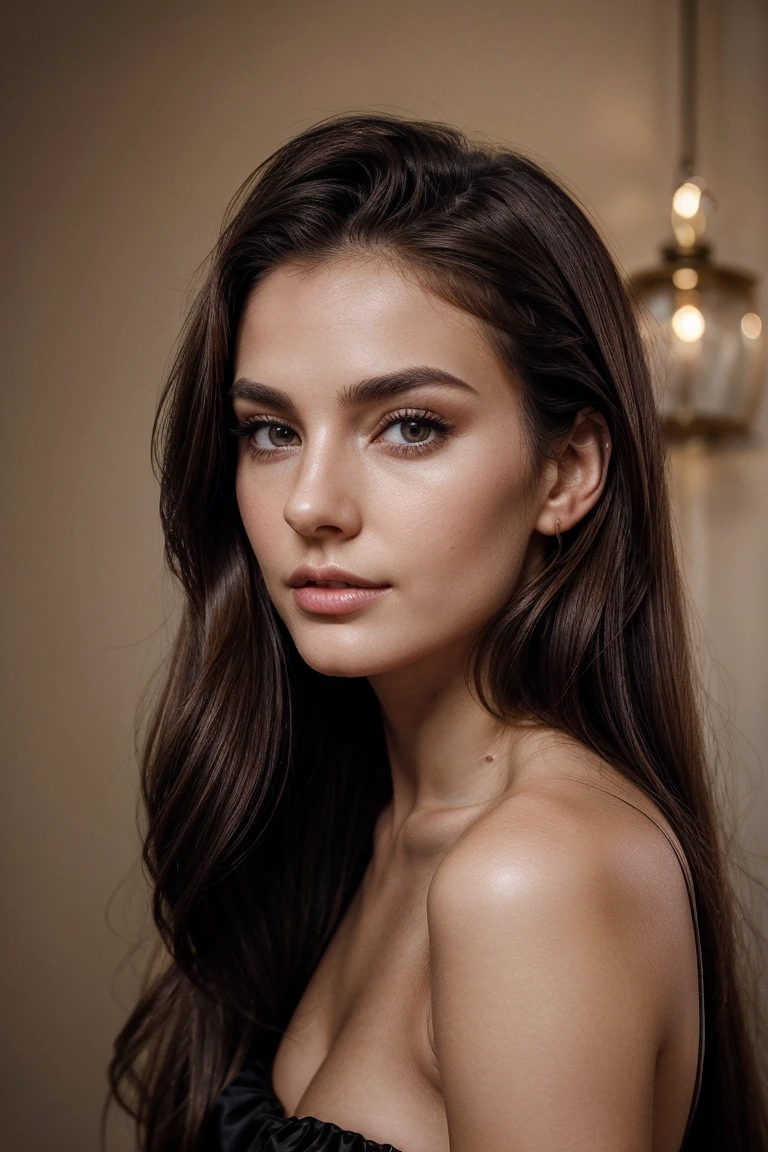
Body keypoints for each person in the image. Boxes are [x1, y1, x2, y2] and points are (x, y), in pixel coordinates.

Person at [108, 114, 766, 1152]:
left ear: (568, 472)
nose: (312, 504)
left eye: (409, 425)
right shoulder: (364, 823)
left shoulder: (534, 873)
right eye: (271, 431)